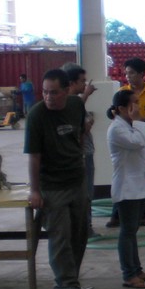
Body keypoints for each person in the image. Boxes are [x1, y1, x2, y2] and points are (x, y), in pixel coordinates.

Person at [24, 68, 91, 289]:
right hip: (52, 186)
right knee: (60, 236)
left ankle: (68, 281)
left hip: (77, 181)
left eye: (54, 92)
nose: (48, 97)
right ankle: (67, 284)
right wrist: (35, 190)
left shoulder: (76, 105)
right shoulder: (36, 116)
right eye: (45, 92)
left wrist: (76, 156)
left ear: (66, 90)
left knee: (80, 234)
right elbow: (34, 156)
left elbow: (80, 133)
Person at [107, 89, 145, 289]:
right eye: (135, 102)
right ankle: (129, 274)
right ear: (122, 108)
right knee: (127, 231)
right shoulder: (117, 129)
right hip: (127, 187)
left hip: (137, 185)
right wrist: (139, 121)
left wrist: (137, 122)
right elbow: (137, 142)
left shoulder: (129, 126)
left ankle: (137, 270)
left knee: (133, 230)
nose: (139, 106)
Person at [106, 57, 145, 228]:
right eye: (126, 73)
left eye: (131, 73)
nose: (128, 76)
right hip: (127, 139)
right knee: (125, 177)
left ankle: (142, 214)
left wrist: (143, 120)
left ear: (141, 74)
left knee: (144, 176)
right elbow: (113, 112)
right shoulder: (123, 93)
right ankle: (117, 215)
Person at [64, 64, 97, 237]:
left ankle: (82, 227)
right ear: (72, 83)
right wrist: (88, 125)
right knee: (85, 193)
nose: (85, 84)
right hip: (82, 154)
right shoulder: (71, 103)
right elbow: (78, 129)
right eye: (82, 81)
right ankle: (85, 228)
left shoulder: (73, 102)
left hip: (82, 153)